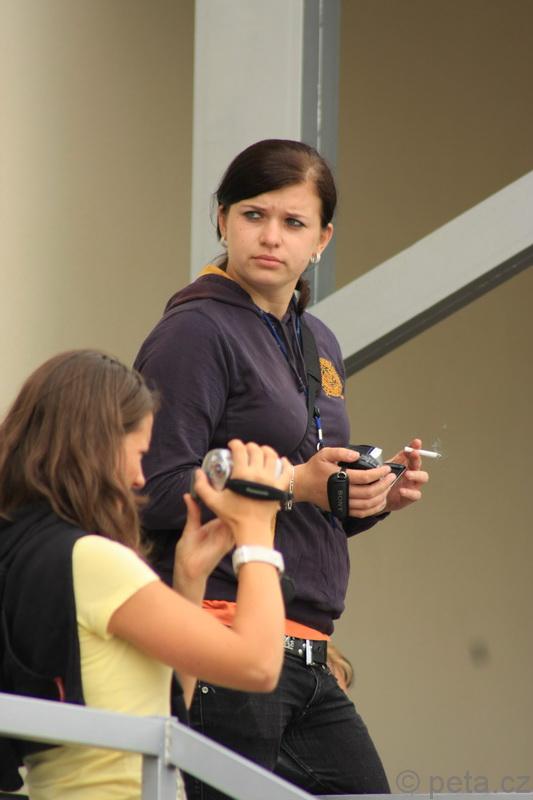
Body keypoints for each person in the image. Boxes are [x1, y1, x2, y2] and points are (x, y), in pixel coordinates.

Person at [134, 138, 429, 797]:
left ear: (322, 239)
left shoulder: (318, 339)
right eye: (253, 215)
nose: (271, 237)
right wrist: (294, 482)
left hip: (308, 647)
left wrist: (367, 496)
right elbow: (150, 488)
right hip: (219, 627)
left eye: (294, 222)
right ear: (221, 220)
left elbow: (299, 505)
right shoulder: (194, 330)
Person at [0, 349, 290, 799]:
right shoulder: (93, 560)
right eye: (138, 454)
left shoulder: (24, 549)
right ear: (95, 445)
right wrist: (256, 532)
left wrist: (190, 578)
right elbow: (259, 666)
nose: (139, 478)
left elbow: (164, 715)